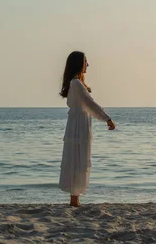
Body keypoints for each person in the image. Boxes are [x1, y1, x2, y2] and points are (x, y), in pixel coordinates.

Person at [58, 51, 115, 207]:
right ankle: (74, 201)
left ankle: (75, 200)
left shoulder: (76, 83)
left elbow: (88, 104)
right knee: (78, 159)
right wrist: (107, 118)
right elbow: (90, 103)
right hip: (78, 126)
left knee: (77, 159)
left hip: (78, 123)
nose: (87, 64)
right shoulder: (76, 83)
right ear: (79, 63)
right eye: (85, 61)